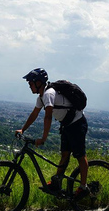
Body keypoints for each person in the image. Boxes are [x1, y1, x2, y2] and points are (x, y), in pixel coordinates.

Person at [15, 68, 89, 199]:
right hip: (67, 125)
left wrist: (43, 138)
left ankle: (83, 187)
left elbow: (48, 116)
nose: (29, 86)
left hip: (77, 124)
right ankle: (57, 183)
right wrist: (23, 129)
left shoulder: (49, 94)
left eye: (30, 83)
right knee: (65, 155)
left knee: (80, 155)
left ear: (38, 82)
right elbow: (34, 114)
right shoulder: (41, 97)